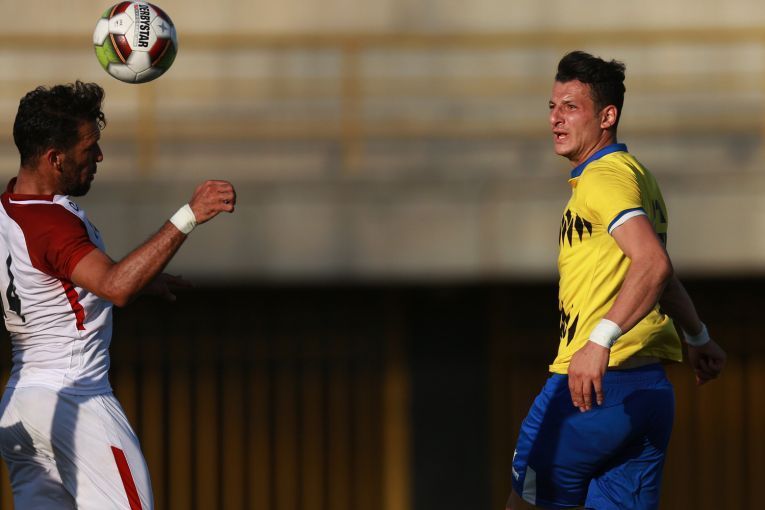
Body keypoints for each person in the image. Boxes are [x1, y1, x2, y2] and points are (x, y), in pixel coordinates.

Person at [506, 51, 727, 510]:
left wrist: (599, 340)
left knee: (524, 502)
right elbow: (658, 274)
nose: (556, 119)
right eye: (552, 107)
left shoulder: (603, 178)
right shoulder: (637, 175)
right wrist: (698, 336)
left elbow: (653, 264)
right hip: (649, 393)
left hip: (592, 389)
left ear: (607, 117)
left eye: (571, 107)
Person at [0, 81, 235, 509]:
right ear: (55, 158)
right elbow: (116, 286)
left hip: (22, 404)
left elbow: (54, 286)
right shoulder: (51, 222)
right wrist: (190, 214)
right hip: (76, 400)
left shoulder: (10, 207)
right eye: (89, 147)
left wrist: (144, 280)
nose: (99, 156)